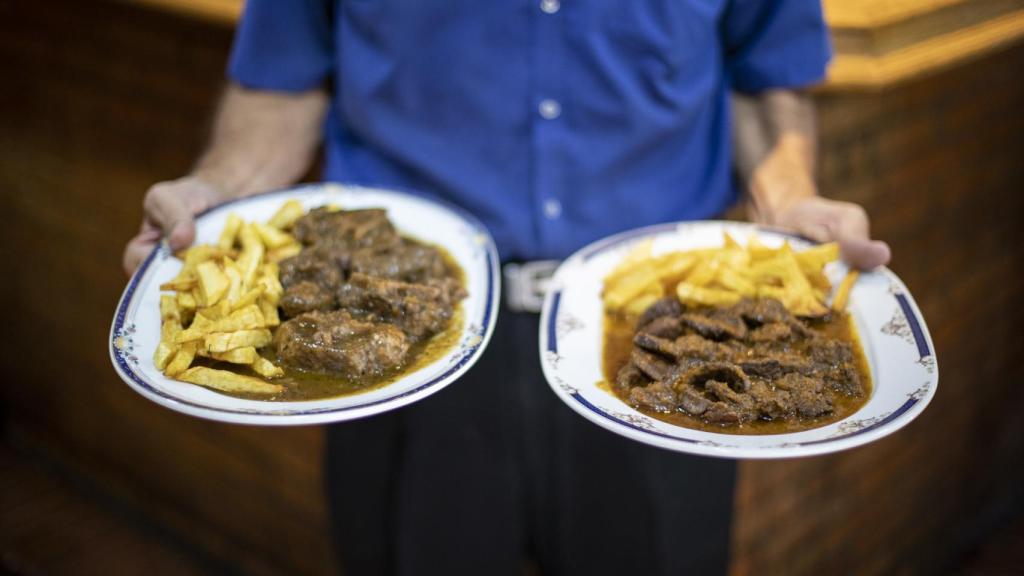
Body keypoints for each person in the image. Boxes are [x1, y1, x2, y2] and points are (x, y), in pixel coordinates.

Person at [123, 2, 890, 574]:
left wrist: (789, 201)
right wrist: (216, 190)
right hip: (397, 348)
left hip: (661, 346)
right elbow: (283, 84)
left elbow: (763, 80)